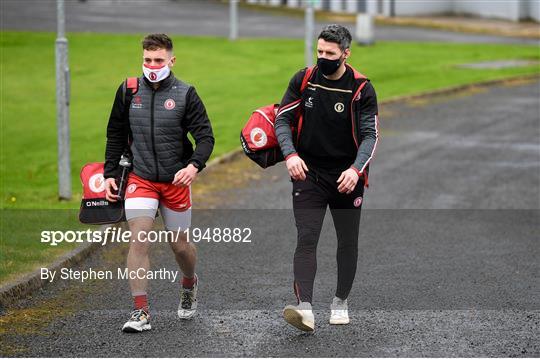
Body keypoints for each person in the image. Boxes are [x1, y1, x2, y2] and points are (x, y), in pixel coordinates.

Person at [103, 33, 214, 332]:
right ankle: (141, 312)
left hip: (176, 181)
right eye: (147, 60)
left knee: (179, 246)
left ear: (171, 60)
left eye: (158, 60)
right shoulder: (128, 91)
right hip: (140, 178)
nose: (152, 65)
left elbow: (205, 137)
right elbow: (115, 135)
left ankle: (189, 283)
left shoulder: (185, 93)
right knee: (138, 238)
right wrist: (110, 174)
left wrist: (193, 166)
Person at [275, 24, 379, 332]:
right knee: (306, 238)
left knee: (347, 241)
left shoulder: (361, 88)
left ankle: (340, 302)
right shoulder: (304, 79)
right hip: (309, 174)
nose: (323, 58)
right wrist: (290, 155)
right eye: (319, 52)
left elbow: (371, 136)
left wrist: (355, 169)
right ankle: (304, 307)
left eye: (330, 53)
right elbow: (282, 119)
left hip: (348, 177)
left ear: (345, 54)